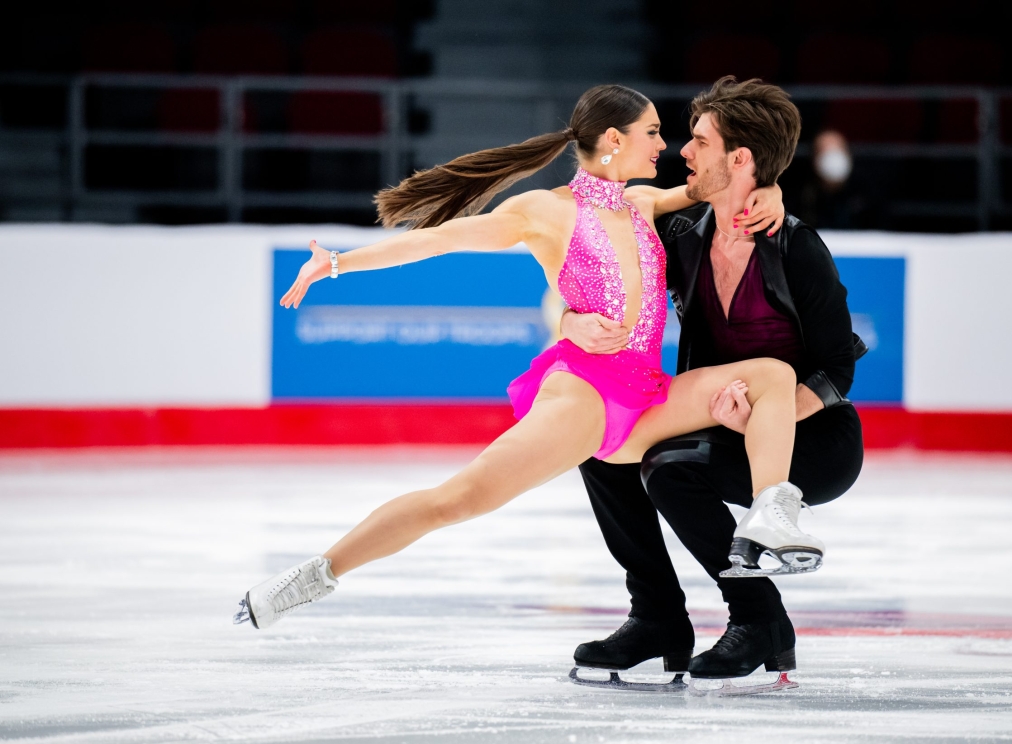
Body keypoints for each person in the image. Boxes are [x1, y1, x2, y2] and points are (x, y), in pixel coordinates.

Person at [232, 83, 804, 642]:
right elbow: (440, 240)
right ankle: (312, 576)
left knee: (773, 375)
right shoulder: (544, 211)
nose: (665, 144)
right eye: (652, 131)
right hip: (585, 393)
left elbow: (726, 184)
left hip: (648, 393)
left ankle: (771, 515)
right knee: (456, 501)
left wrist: (773, 189)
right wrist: (335, 263)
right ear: (613, 138)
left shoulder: (642, 203)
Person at [562, 77, 865, 692]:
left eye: (700, 141)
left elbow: (838, 369)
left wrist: (763, 417)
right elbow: (600, 277)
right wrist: (571, 319)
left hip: (816, 438)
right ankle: (656, 620)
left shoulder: (798, 250)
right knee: (600, 448)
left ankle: (759, 622)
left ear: (741, 158)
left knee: (672, 469)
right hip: (715, 421)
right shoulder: (680, 237)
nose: (684, 152)